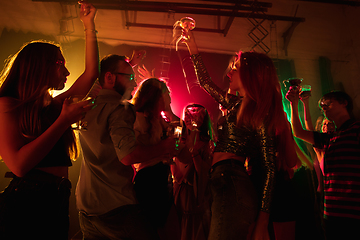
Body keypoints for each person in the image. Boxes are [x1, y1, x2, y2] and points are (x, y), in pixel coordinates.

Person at [181, 30, 300, 240]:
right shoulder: (238, 105)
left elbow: (269, 168)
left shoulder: (260, 112)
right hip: (223, 179)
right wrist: (192, 45)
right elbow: (206, 82)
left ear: (249, 75)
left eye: (234, 69)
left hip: (232, 181)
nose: (229, 74)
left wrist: (263, 223)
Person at [0, 2, 99, 239]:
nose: (66, 72)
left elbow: (91, 74)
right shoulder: (7, 104)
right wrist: (63, 121)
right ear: (38, 67)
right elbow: (18, 165)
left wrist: (89, 26)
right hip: (26, 202)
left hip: (56, 197)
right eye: (60, 64)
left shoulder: (52, 106)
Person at [75, 55, 176, 240]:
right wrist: (164, 147)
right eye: (130, 77)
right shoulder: (121, 109)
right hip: (115, 204)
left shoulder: (88, 105)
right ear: (110, 78)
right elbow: (128, 155)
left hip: (86, 204)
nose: (135, 82)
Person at [286, 89, 360, 240]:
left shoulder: (357, 129)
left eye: (327, 103)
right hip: (331, 212)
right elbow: (299, 132)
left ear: (344, 103)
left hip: (354, 213)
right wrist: (293, 104)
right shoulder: (329, 138)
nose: (323, 107)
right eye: (321, 106)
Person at [131, 77, 180, 240]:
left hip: (163, 176)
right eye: (167, 94)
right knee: (154, 231)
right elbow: (132, 152)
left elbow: (181, 134)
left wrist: (170, 113)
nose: (170, 98)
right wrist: (162, 148)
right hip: (149, 178)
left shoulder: (160, 120)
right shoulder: (137, 118)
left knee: (171, 230)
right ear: (155, 95)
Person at [171, 103, 215, 240]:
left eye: (196, 115)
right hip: (178, 190)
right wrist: (175, 173)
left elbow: (205, 173)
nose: (191, 119)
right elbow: (170, 156)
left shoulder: (208, 143)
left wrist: (194, 150)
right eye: (188, 115)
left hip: (195, 193)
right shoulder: (178, 136)